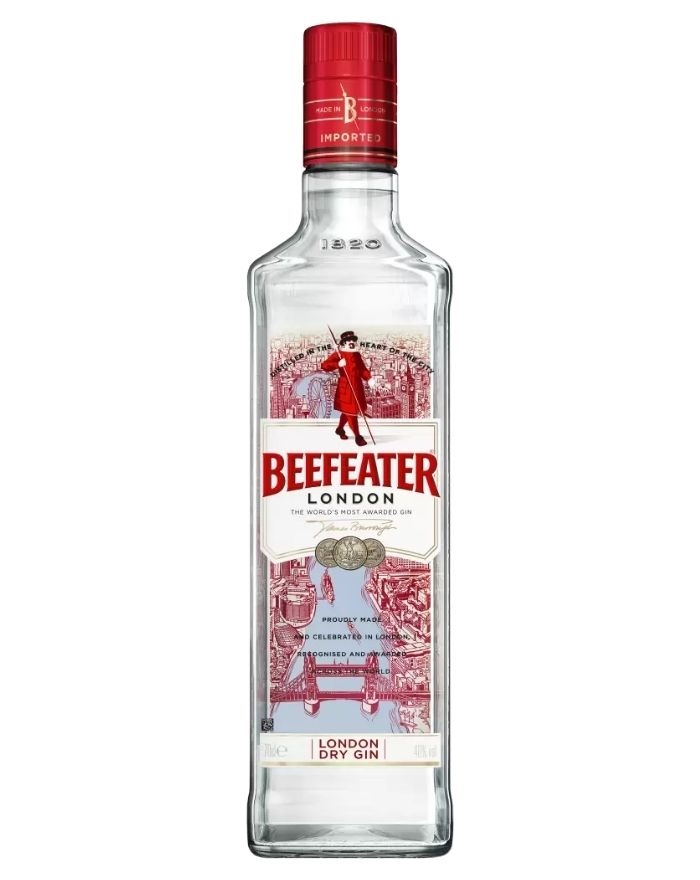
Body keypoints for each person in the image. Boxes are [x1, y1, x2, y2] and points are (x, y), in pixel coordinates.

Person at [321, 330, 377, 446]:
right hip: (346, 387)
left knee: (349, 411)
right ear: (344, 343)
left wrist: (369, 378)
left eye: (353, 340)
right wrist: (337, 364)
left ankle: (339, 429)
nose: (351, 342)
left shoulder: (356, 355)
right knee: (351, 413)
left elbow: (362, 369)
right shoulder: (339, 354)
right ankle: (358, 436)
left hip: (357, 386)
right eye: (348, 340)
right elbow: (324, 365)